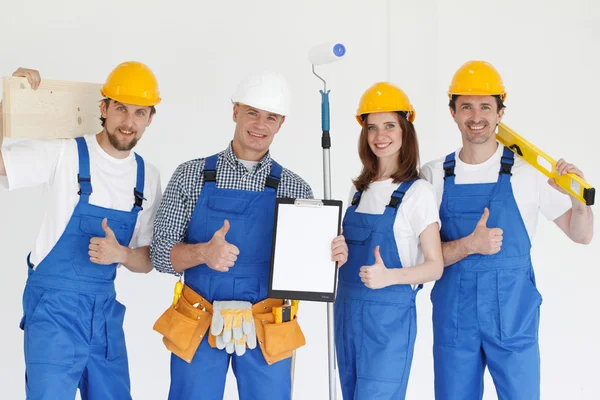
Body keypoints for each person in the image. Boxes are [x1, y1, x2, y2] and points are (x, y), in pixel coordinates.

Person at [150, 70, 348, 400]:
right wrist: (202, 254)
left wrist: (329, 255)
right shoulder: (191, 176)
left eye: (270, 117)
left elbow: (307, 269)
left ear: (281, 124)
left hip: (267, 323)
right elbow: (159, 253)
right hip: (199, 319)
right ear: (235, 112)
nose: (259, 124)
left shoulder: (295, 188)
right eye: (252, 112)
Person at [421, 60, 594, 400]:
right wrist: (469, 245)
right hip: (456, 320)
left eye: (486, 106)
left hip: (514, 316)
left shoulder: (528, 172)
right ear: (452, 112)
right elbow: (421, 258)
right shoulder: (434, 176)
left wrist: (578, 198)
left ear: (500, 112)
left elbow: (581, 234)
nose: (476, 116)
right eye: (466, 106)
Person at [0, 62, 162, 399]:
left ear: (150, 118)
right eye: (120, 108)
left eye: (139, 112)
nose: (128, 121)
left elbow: (147, 260)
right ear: (103, 108)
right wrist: (7, 106)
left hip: (104, 316)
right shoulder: (65, 153)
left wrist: (122, 254)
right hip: (53, 313)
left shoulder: (147, 176)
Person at [334, 82, 443, 399]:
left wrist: (389, 277)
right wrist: (338, 252)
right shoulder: (358, 191)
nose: (380, 136)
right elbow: (346, 257)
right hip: (346, 314)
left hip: (388, 321)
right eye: (372, 128)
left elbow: (435, 266)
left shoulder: (418, 192)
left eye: (389, 126)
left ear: (405, 129)